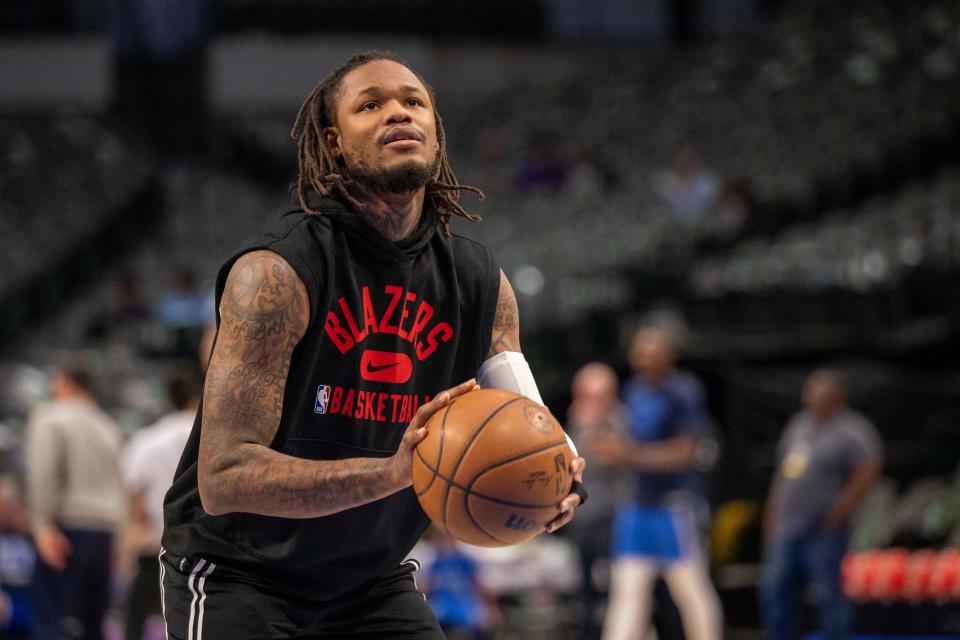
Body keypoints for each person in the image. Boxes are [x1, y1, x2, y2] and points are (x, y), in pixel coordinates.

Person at [161, 50, 586, 639]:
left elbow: (529, 423)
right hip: (241, 573)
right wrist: (393, 473)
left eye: (414, 101)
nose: (399, 112)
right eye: (371, 104)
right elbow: (225, 476)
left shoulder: (480, 283)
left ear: (435, 134)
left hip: (370, 580)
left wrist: (558, 478)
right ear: (333, 144)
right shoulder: (277, 273)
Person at [595, 327, 722, 640]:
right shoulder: (633, 391)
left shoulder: (684, 391)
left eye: (651, 353)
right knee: (627, 592)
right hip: (637, 506)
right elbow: (626, 444)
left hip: (673, 505)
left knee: (689, 588)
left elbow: (685, 451)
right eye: (639, 353)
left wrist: (627, 455)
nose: (643, 359)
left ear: (669, 356)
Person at [760, 369, 883, 640]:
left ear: (838, 398)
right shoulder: (799, 425)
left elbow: (868, 469)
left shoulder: (853, 430)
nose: (812, 400)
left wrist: (841, 509)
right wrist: (772, 512)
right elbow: (783, 473)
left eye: (820, 395)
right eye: (810, 393)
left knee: (828, 593)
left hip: (822, 528)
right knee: (775, 589)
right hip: (788, 525)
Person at [24, 358, 125, 640]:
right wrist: (119, 539)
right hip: (104, 532)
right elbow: (120, 486)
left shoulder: (50, 416)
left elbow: (44, 473)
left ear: (67, 382)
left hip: (66, 529)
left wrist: (42, 525)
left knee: (51, 620)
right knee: (93, 625)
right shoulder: (110, 427)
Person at [121, 370, 200, 640]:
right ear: (196, 399)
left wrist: (143, 523)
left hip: (157, 540)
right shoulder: (208, 433)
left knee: (137, 615)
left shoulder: (145, 439)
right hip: (201, 543)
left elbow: (133, 492)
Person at [565, 363, 631, 640]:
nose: (589, 403)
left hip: (615, 524)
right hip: (582, 524)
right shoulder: (574, 427)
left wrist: (592, 429)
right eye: (584, 396)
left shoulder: (623, 424)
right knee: (585, 600)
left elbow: (612, 457)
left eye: (597, 396)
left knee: (616, 600)